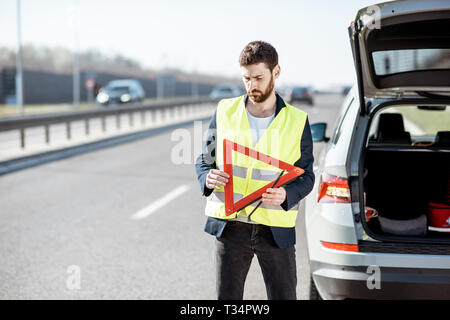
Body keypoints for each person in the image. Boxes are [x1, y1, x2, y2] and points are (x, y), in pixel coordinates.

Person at [195, 41, 314, 300]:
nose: (252, 85)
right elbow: (204, 161)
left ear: (276, 72)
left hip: (275, 231)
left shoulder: (298, 120)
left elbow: (307, 176)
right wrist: (207, 177)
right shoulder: (225, 111)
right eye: (246, 78)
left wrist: (286, 195)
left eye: (259, 77)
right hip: (230, 228)